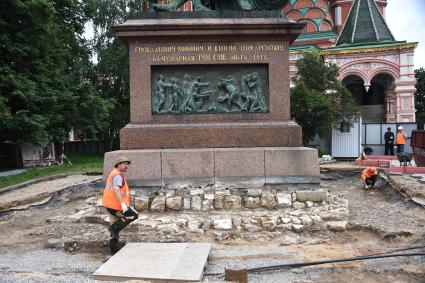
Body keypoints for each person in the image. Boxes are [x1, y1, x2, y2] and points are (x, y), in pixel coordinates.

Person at [102, 157, 138, 255]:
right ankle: (114, 228)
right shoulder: (117, 175)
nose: (127, 166)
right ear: (118, 164)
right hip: (115, 206)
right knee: (134, 215)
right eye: (125, 164)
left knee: (114, 223)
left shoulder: (115, 173)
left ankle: (114, 250)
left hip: (110, 205)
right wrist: (123, 204)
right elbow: (116, 190)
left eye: (127, 164)